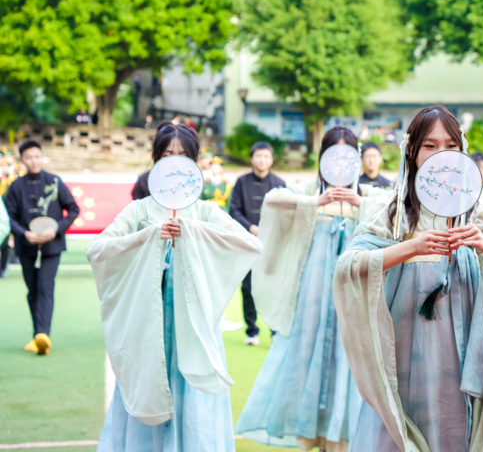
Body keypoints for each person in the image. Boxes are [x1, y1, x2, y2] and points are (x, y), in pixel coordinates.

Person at [332, 106, 483, 452]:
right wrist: (409, 248)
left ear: (462, 150)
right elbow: (349, 267)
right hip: (404, 348)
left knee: (454, 421)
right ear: (412, 151)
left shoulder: (476, 211)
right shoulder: (394, 210)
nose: (441, 154)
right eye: (430, 145)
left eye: (450, 146)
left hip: (460, 351)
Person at [87, 122, 263, 450]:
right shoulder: (139, 210)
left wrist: (194, 232)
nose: (174, 162)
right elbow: (98, 250)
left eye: (183, 156)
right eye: (167, 155)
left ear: (195, 164)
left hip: (194, 323)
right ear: (155, 159)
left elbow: (248, 244)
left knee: (192, 390)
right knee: (148, 384)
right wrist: (149, 236)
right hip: (147, 324)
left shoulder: (204, 211)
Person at [235, 127, 388, 450]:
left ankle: (341, 436)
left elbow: (396, 211)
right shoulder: (308, 190)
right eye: (334, 155)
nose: (341, 164)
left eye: (348, 156)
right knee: (305, 349)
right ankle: (307, 434)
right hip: (313, 293)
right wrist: (315, 202)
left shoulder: (369, 194)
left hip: (353, 292)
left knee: (350, 355)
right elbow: (275, 201)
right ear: (323, 158)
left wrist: (360, 203)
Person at [4, 140, 80, 355]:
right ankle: (37, 335)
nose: (34, 161)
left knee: (45, 286)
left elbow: (73, 209)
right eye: (29, 157)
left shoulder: (55, 182)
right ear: (22, 160)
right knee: (33, 290)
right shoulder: (15, 186)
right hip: (26, 246)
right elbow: (9, 218)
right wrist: (24, 234)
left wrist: (56, 230)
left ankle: (42, 335)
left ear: (42, 157)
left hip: (52, 246)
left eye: (37, 156)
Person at [229, 141, 285, 346]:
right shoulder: (241, 182)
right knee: (248, 287)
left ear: (272, 159)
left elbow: (286, 214)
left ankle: (274, 330)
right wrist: (251, 227)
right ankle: (251, 331)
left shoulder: (279, 183)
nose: (262, 160)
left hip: (273, 245)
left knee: (274, 287)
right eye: (258, 156)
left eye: (266, 156)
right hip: (247, 243)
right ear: (252, 158)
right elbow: (234, 211)